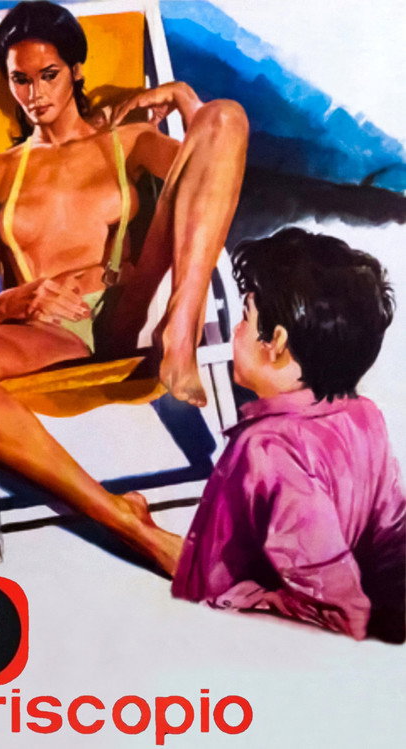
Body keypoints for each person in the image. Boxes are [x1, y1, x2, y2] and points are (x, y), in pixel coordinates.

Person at [0, 1, 247, 572]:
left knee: (225, 116)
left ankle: (181, 330)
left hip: (133, 307)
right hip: (50, 333)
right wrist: (18, 298)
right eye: (20, 79)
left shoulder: (129, 141)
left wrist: (185, 100)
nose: (35, 93)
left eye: (49, 75)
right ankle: (126, 521)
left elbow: (214, 174)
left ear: (76, 71)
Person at [170, 227, 405, 642]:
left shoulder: (267, 446)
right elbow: (392, 535)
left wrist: (234, 602)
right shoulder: (363, 415)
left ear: (276, 341)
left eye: (245, 318)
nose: (235, 332)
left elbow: (335, 609)